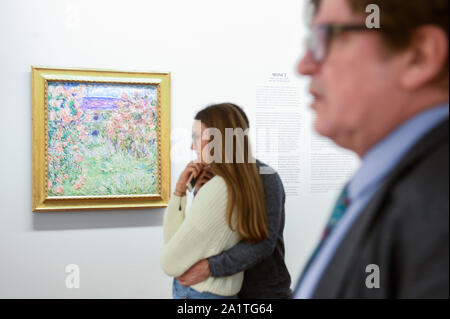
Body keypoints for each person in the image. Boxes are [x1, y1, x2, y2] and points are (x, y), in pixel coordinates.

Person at [294, 0, 449, 298]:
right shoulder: (396, 185)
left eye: (327, 37)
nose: (304, 65)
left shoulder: (436, 202)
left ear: (419, 56)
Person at [175, 104, 292, 299]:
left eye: (196, 137)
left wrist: (209, 268)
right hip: (214, 291)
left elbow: (263, 243)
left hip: (260, 294)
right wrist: (189, 193)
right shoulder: (207, 177)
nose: (191, 146)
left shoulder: (265, 178)